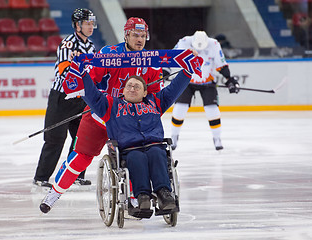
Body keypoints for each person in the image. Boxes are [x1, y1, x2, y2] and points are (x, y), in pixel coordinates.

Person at [40, 51, 199, 213]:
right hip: (123, 140)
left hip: (150, 143)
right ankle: (141, 195)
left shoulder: (155, 101)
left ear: (145, 92)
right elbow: (90, 92)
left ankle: (163, 193)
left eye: (137, 86)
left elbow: (175, 88)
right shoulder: (111, 103)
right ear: (122, 91)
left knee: (157, 154)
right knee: (121, 158)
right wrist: (79, 69)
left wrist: (188, 68)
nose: (132, 88)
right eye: (129, 86)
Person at [39, 17, 168, 213]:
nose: (140, 39)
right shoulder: (109, 54)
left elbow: (154, 96)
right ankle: (55, 193)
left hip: (128, 119)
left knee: (134, 155)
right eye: (135, 35)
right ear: (126, 35)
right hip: (102, 113)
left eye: (143, 35)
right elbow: (89, 80)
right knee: (81, 156)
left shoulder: (151, 61)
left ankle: (136, 197)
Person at [33, 8, 96, 188]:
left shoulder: (91, 46)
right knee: (54, 139)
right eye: (87, 23)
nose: (91, 27)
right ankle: (41, 177)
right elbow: (64, 72)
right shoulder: (67, 44)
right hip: (62, 98)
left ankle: (76, 174)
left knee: (81, 140)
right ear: (77, 25)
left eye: (92, 23)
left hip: (81, 99)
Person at [170, 31, 240, 151]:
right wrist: (165, 71)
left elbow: (221, 64)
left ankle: (217, 138)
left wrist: (229, 79)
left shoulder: (214, 44)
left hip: (207, 82)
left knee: (212, 110)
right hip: (187, 81)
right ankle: (174, 136)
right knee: (179, 109)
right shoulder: (184, 42)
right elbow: (171, 58)